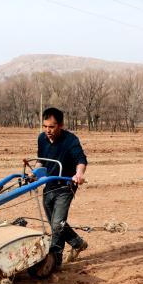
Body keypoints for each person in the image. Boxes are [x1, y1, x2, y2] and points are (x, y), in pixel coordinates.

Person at [36, 107, 88, 267]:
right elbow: (41, 160)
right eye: (45, 126)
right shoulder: (42, 139)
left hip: (66, 186)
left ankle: (54, 259)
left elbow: (81, 160)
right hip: (49, 184)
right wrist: (34, 174)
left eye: (51, 127)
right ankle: (77, 243)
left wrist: (78, 174)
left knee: (57, 224)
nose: (47, 130)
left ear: (61, 125)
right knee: (55, 223)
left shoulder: (70, 140)